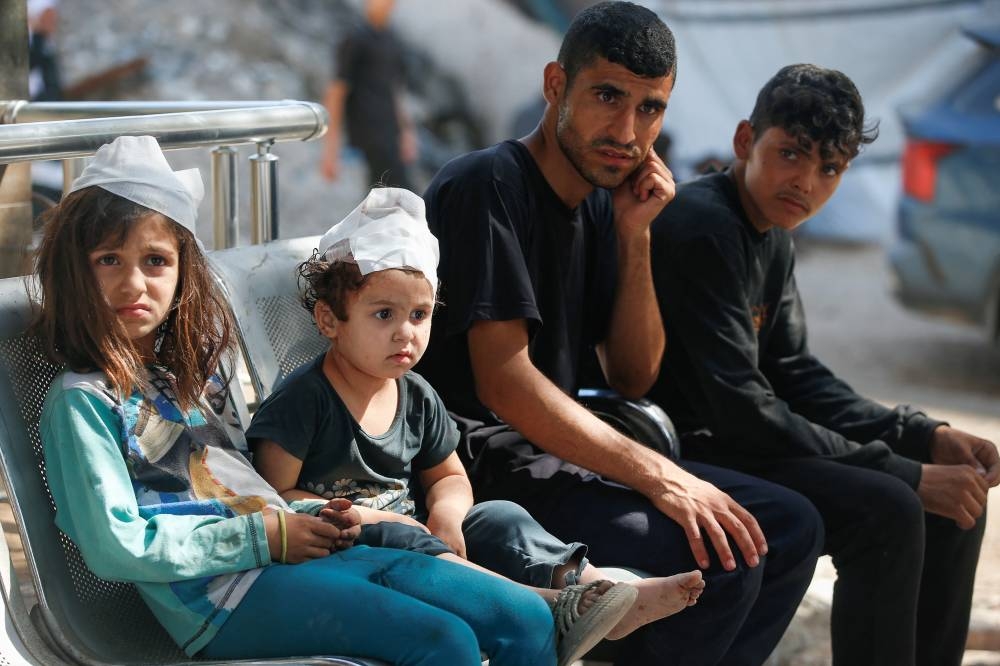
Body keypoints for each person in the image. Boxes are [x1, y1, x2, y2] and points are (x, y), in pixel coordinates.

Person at [33, 135, 560, 666]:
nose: (134, 283)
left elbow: (247, 487)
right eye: (108, 260)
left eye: (154, 261)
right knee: (444, 643)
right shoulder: (82, 403)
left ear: (181, 271)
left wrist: (323, 514)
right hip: (221, 601)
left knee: (525, 621)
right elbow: (114, 545)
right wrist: (264, 537)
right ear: (75, 270)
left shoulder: (192, 379)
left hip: (291, 553)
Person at [416, 3, 825, 665]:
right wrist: (662, 477)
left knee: (789, 527)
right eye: (608, 96)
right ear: (556, 86)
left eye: (650, 108)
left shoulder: (603, 203)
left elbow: (633, 376)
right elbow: (505, 383)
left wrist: (636, 238)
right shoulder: (487, 185)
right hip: (482, 475)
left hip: (563, 460)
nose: (628, 130)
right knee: (719, 560)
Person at [247, 186, 706, 665]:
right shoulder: (304, 400)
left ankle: (592, 586)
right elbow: (276, 496)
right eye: (384, 315)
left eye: (419, 315)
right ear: (329, 319)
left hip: (419, 536)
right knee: (404, 534)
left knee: (498, 515)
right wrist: (366, 517)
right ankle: (551, 607)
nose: (406, 332)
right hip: (350, 551)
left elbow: (447, 476)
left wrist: (446, 513)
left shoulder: (416, 394)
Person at [646, 63, 1000, 666]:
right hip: (688, 449)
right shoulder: (704, 225)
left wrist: (921, 433)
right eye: (791, 154)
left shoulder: (773, 231)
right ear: (743, 142)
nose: (805, 181)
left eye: (829, 168)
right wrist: (907, 473)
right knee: (890, 507)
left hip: (744, 437)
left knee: (958, 499)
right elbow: (740, 406)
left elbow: (796, 372)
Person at [320, 0, 416, 189]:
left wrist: (407, 133)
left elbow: (396, 91)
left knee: (393, 200)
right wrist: (330, 152)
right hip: (367, 137)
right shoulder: (355, 40)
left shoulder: (393, 41)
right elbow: (336, 92)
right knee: (392, 199)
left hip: (390, 134)